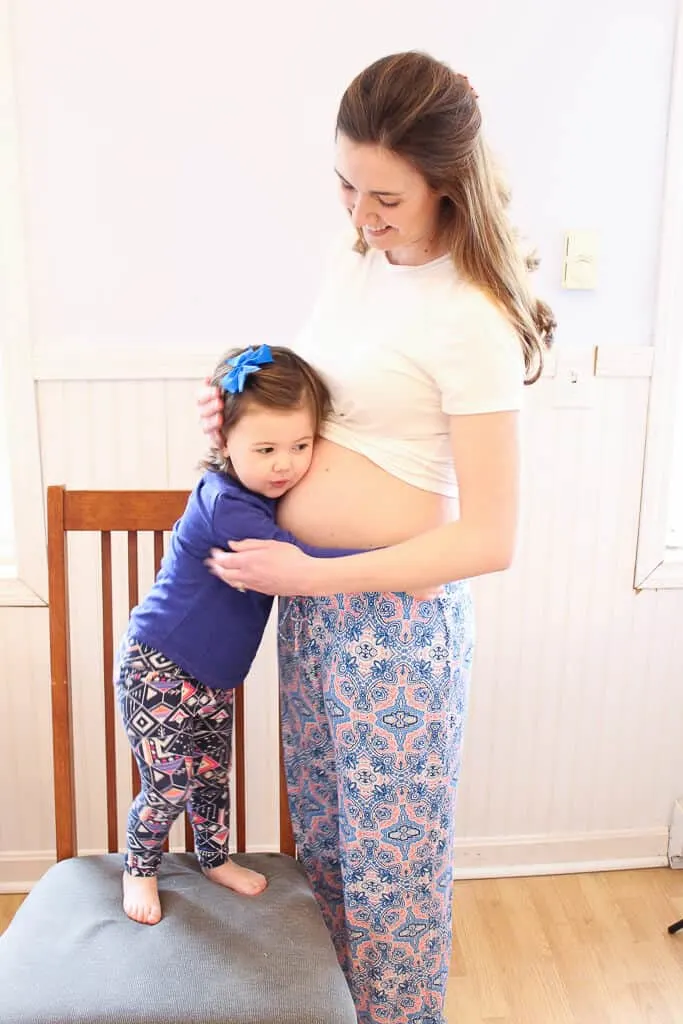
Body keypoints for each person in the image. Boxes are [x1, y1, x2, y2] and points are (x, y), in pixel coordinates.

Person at [199, 52, 555, 1024]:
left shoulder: (472, 319)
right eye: (345, 184)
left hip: (396, 635)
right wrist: (246, 403)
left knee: (391, 879)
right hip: (316, 609)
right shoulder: (349, 259)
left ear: (446, 182)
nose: (360, 213)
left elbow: (489, 538)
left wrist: (315, 576)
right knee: (325, 854)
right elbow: (334, 392)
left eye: (384, 195)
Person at [117, 344, 357, 926]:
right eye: (267, 449)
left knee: (210, 775)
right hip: (160, 666)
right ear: (223, 441)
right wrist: (398, 563)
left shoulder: (261, 496)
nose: (286, 464)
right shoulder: (229, 505)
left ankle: (214, 858)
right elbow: (306, 559)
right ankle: (140, 866)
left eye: (302, 446)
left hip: (213, 675)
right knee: (170, 783)